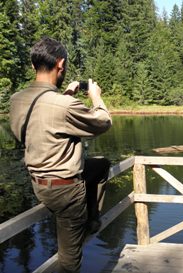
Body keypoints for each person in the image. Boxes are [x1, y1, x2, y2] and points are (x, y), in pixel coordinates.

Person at [9, 37, 112, 273]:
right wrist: (95, 97)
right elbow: (103, 122)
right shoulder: (63, 105)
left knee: (100, 165)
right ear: (61, 64)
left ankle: (92, 219)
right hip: (65, 193)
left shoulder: (16, 100)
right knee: (69, 259)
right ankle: (90, 221)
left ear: (34, 66)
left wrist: (66, 94)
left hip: (38, 184)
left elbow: (44, 122)